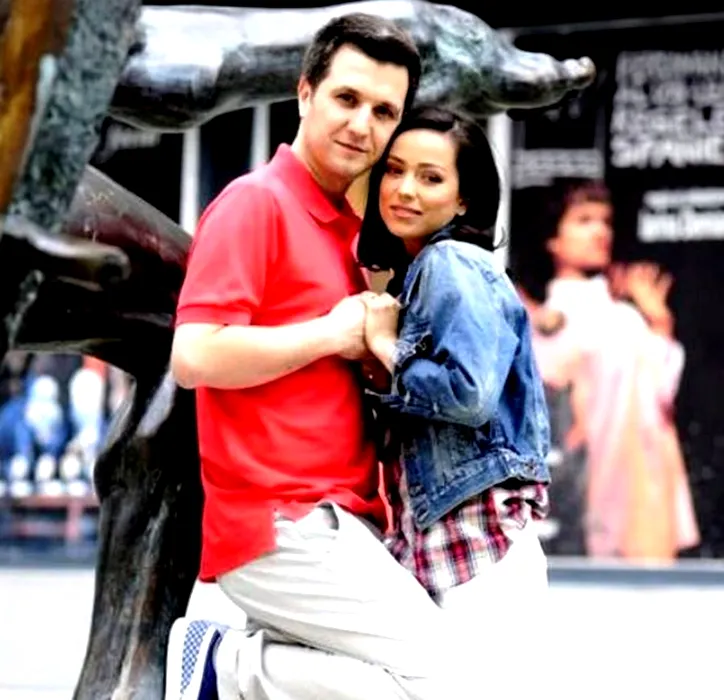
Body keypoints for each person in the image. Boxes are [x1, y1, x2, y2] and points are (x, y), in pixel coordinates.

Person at [165, 13, 468, 700]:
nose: (363, 125)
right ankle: (230, 668)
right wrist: (330, 334)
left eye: (384, 111)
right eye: (347, 98)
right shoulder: (255, 204)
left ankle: (238, 670)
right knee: (443, 680)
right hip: (280, 523)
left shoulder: (355, 234)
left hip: (346, 519)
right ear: (304, 93)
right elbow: (194, 354)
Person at [357, 105, 550, 646]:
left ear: (464, 199)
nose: (405, 190)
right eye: (394, 170)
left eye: (430, 177)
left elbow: (469, 394)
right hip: (450, 536)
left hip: (476, 538)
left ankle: (234, 663)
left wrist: (387, 348)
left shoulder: (451, 262)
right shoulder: (422, 273)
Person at [530, 181, 699, 559]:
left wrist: (660, 325)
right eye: (584, 220)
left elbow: (661, 395)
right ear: (552, 239)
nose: (600, 231)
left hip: (639, 478)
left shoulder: (623, 315)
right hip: (582, 483)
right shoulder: (541, 318)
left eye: (605, 222)